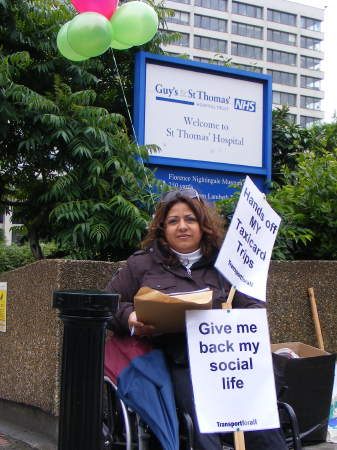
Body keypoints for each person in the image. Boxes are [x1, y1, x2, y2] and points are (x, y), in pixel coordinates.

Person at [105, 188, 287, 450]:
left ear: (202, 224)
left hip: (229, 358)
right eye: (173, 221)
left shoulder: (228, 264)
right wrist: (131, 316)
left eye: (190, 219)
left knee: (262, 427)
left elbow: (253, 306)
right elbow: (107, 303)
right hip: (176, 360)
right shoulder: (142, 265)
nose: (182, 226)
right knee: (202, 421)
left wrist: (232, 319)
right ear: (162, 228)